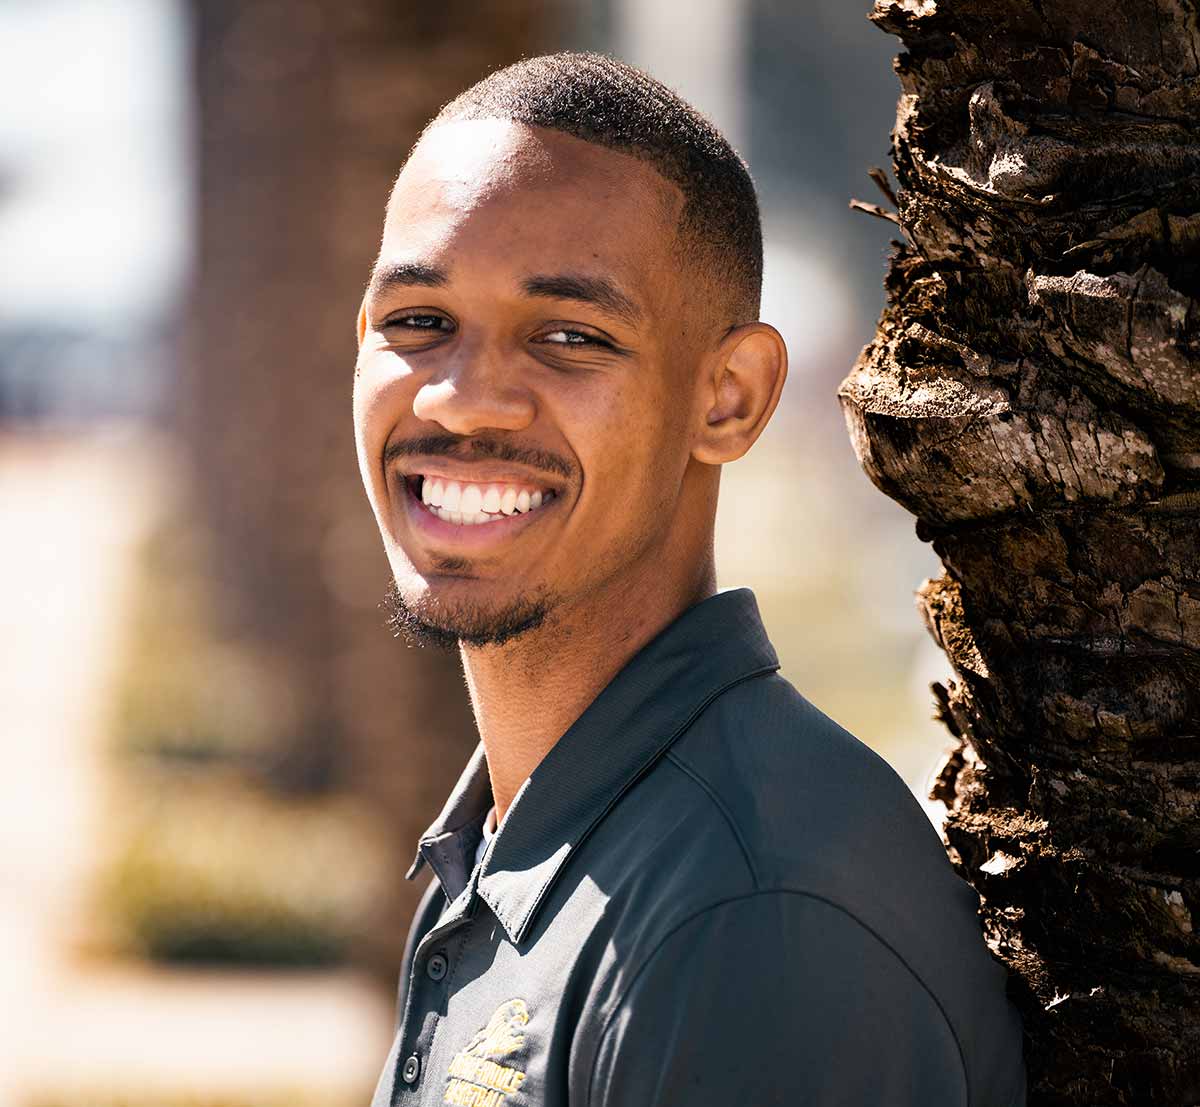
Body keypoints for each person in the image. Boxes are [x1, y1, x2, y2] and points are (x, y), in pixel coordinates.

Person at [353, 51, 1026, 1107]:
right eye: (418, 322)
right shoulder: (529, 835)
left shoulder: (755, 918)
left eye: (570, 336)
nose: (463, 399)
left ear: (730, 397)